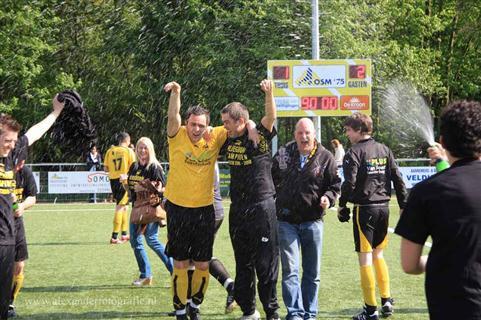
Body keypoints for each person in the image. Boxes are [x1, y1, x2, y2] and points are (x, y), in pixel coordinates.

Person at [395, 100, 481, 320]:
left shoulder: (426, 192)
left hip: (453, 305)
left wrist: (434, 260)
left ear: (443, 141)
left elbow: (409, 264)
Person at [163, 81, 229, 320]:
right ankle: (180, 309)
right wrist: (176, 93)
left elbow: (241, 123)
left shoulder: (216, 136)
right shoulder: (176, 134)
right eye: (193, 124)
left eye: (201, 125)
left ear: (208, 125)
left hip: (204, 210)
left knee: (202, 264)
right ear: (186, 123)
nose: (197, 129)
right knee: (180, 264)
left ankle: (195, 304)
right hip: (178, 209)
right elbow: (173, 115)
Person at [337, 113, 407, 320]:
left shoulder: (353, 152)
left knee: (365, 259)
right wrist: (403, 205)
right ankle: (386, 300)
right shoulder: (384, 149)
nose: (347, 134)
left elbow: (349, 183)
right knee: (379, 255)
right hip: (384, 208)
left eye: (349, 130)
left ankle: (370, 310)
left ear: (359, 130)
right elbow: (398, 179)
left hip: (365, 209)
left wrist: (342, 205)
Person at [220, 79, 280, 320]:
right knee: (242, 264)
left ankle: (272, 313)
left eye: (227, 122)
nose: (223, 126)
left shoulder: (259, 136)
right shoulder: (227, 137)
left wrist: (269, 93)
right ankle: (249, 311)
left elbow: (270, 116)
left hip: (262, 207)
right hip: (238, 209)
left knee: (265, 265)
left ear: (240, 121)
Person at [0, 95, 64, 320]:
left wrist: (55, 113)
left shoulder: (12, 156)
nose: (11, 145)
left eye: (13, 141)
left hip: (8, 238)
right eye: (7, 140)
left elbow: (34, 133)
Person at [272, 118, 341, 320]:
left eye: (308, 133)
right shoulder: (283, 153)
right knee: (290, 270)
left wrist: (328, 198)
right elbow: (270, 176)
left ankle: (309, 314)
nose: (304, 137)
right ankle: (294, 313)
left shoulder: (326, 157)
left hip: (313, 221)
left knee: (312, 273)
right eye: (300, 133)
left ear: (314, 134)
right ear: (295, 134)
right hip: (286, 221)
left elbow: (335, 185)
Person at [123, 137, 173, 287]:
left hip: (150, 210)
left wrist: (145, 187)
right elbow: (131, 191)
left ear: (150, 149)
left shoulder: (154, 167)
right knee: (135, 241)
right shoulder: (134, 166)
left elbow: (163, 189)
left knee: (151, 240)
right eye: (140, 148)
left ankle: (174, 271)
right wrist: (125, 183)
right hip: (137, 209)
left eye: (145, 148)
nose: (142, 150)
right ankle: (146, 274)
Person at [8, 161, 38, 318]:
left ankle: (10, 302)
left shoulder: (25, 172)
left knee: (19, 265)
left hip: (16, 224)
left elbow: (32, 197)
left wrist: (21, 206)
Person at [103, 132, 136, 244]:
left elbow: (106, 169)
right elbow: (134, 167)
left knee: (124, 207)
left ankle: (124, 234)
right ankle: (114, 237)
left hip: (113, 181)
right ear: (127, 140)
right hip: (124, 181)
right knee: (120, 207)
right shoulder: (128, 151)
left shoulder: (110, 151)